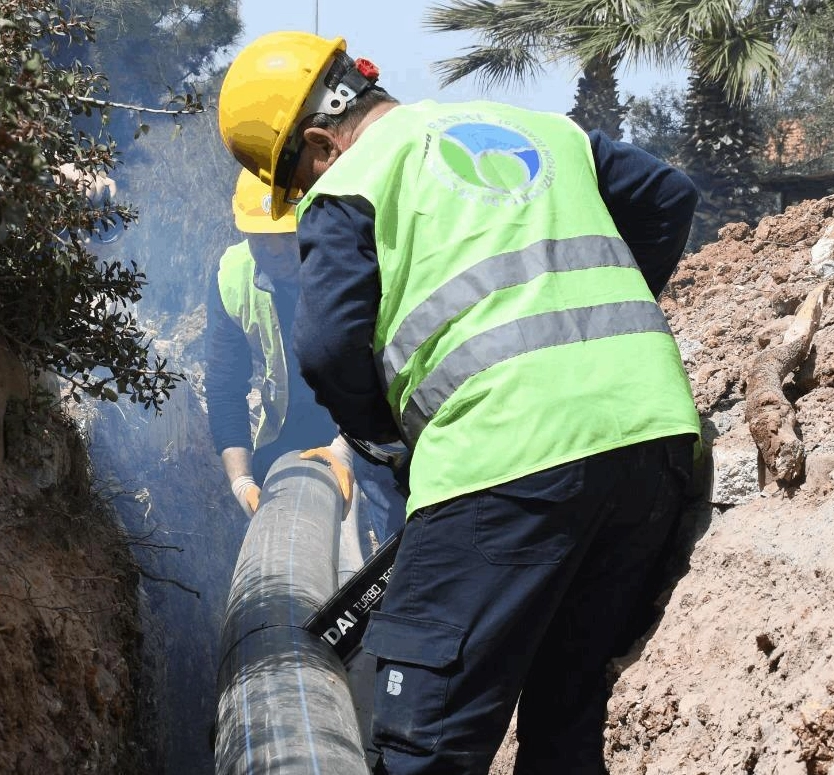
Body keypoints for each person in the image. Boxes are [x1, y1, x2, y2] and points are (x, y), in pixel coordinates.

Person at [216, 31, 701, 775]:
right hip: (655, 444)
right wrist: (596, 339)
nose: (305, 199)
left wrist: (387, 439)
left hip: (504, 458)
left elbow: (329, 346)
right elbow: (667, 197)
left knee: (423, 745)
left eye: (299, 180)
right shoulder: (537, 129)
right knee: (564, 721)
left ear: (320, 144)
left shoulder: (355, 179)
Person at [205, 169, 405, 545]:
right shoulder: (231, 277)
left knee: (395, 531)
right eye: (262, 239)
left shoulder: (351, 260)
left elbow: (391, 365)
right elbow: (224, 386)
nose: (277, 250)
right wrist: (242, 482)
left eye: (286, 234)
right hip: (290, 427)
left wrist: (346, 449)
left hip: (372, 423)